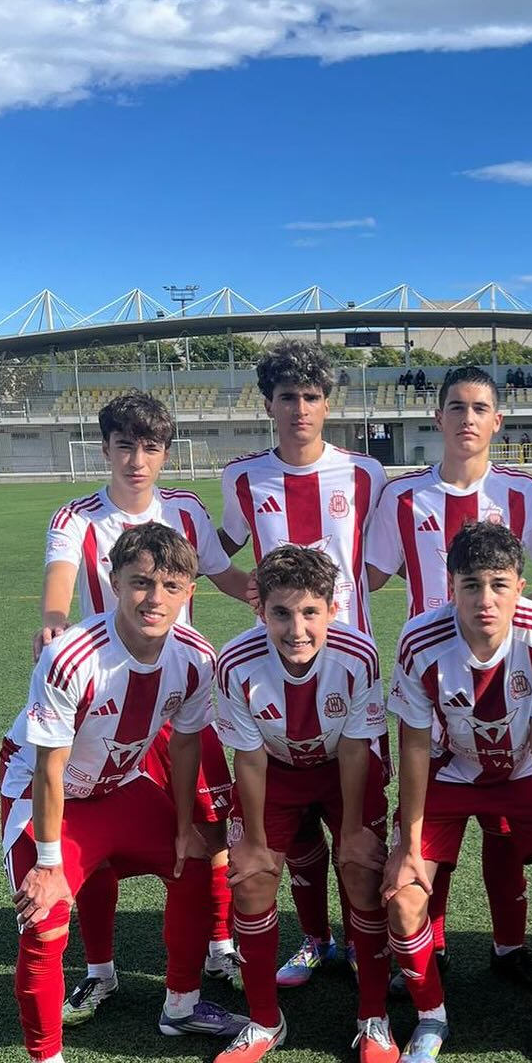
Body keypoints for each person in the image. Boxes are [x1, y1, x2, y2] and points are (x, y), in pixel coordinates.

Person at [1, 524, 246, 1063]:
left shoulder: (196, 657)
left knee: (195, 860)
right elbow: (50, 768)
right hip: (47, 796)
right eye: (140, 582)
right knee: (44, 917)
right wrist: (49, 863)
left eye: (170, 585)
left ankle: (181, 1006)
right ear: (114, 583)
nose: (154, 598)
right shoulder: (72, 656)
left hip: (119, 785)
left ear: (189, 590)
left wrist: (185, 826)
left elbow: (184, 744)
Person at [38, 390, 252, 1019]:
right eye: (124, 445)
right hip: (106, 701)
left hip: (179, 695)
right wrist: (52, 624)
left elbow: (224, 576)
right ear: (104, 449)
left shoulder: (186, 509)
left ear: (165, 453)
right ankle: (100, 971)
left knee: (208, 826)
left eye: (150, 447)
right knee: (96, 834)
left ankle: (217, 946)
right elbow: (58, 591)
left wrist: (282, 600)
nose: (136, 460)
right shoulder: (76, 517)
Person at [383, 522, 532, 1063]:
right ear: (450, 585)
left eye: (500, 584)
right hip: (449, 774)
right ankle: (430, 1018)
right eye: (471, 584)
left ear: (519, 586)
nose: (486, 599)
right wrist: (408, 844)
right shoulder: (420, 639)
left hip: (524, 772)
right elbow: (413, 744)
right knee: (403, 900)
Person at [366, 367, 532, 989]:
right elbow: (370, 575)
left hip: (503, 676)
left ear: (497, 421)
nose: (467, 418)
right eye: (456, 407)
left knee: (504, 827)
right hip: (431, 682)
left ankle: (508, 946)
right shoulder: (403, 497)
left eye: (479, 408)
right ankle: (432, 944)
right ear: (438, 417)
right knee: (430, 823)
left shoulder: (523, 494)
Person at [219, 341, 388, 989]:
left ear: (327, 403)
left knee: (357, 825)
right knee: (295, 832)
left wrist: (343, 611)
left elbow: (379, 560)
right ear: (269, 404)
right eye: (286, 396)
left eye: (311, 396)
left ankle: (364, 942)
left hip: (350, 673)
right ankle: (316, 939)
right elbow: (217, 549)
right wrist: (255, 597)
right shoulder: (243, 478)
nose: (299, 408)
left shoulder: (366, 474)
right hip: (275, 668)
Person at [212, 546, 392, 1063]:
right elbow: (248, 758)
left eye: (310, 612)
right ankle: (265, 1021)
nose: (297, 629)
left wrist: (354, 831)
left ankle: (374, 1016)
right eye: (282, 613)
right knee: (250, 880)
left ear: (332, 610)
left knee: (360, 868)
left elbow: (357, 747)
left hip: (343, 769)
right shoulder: (235, 662)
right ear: (261, 610)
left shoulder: (358, 654)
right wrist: (252, 843)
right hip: (274, 771)